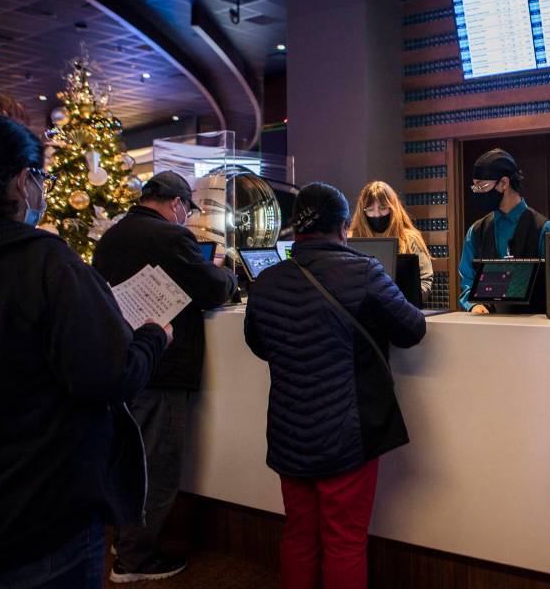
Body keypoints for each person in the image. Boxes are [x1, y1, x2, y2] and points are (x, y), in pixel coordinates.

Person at [0, 114, 172, 587]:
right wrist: (152, 337)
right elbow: (109, 374)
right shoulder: (45, 262)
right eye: (41, 178)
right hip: (40, 516)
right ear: (24, 180)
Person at [244, 182, 426, 589]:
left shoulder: (267, 281)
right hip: (347, 432)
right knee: (344, 541)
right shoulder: (363, 271)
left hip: (289, 431)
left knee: (298, 535)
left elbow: (259, 344)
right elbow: (412, 328)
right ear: (344, 226)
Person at [93, 170, 238, 583]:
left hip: (124, 362)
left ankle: (124, 540)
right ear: (177, 204)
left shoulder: (112, 236)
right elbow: (214, 289)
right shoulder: (172, 238)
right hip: (164, 366)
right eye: (185, 209)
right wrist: (224, 270)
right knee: (157, 465)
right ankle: (135, 560)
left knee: (128, 460)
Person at [458, 148, 550, 312]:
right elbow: (467, 278)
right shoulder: (476, 231)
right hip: (488, 327)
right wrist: (474, 304)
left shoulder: (544, 230)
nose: (478, 193)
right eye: (475, 187)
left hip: (534, 329)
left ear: (504, 183)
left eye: (481, 186)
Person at [347, 180, 434, 304]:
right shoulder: (351, 240)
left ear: (393, 208)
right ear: (362, 212)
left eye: (382, 208)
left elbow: (425, 281)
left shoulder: (409, 239)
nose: (376, 214)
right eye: (370, 209)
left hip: (401, 310)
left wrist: (403, 303)